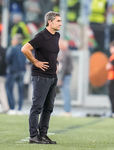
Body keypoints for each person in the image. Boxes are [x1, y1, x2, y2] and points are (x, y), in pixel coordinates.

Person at [21, 11, 62, 144]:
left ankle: (43, 135)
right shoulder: (41, 36)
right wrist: (36, 62)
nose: (61, 23)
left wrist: (56, 63)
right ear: (49, 22)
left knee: (48, 108)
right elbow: (25, 49)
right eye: (58, 21)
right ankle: (34, 135)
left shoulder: (57, 36)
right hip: (40, 76)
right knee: (37, 107)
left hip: (52, 76)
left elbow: (53, 53)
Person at [5, 34, 26, 115]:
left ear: (15, 40)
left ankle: (12, 107)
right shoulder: (23, 49)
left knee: (9, 89)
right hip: (21, 71)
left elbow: (8, 59)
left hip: (12, 71)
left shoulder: (12, 49)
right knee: (21, 91)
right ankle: (20, 108)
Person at [57, 39, 73, 117]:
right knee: (65, 93)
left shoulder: (66, 54)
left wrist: (61, 79)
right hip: (66, 75)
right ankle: (66, 110)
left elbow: (65, 68)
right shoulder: (65, 53)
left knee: (66, 93)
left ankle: (67, 110)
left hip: (65, 76)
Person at [0, 44, 9, 113]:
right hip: (3, 73)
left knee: (2, 91)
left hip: (1, 74)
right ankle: (5, 107)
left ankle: (5, 107)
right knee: (2, 91)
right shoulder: (5, 50)